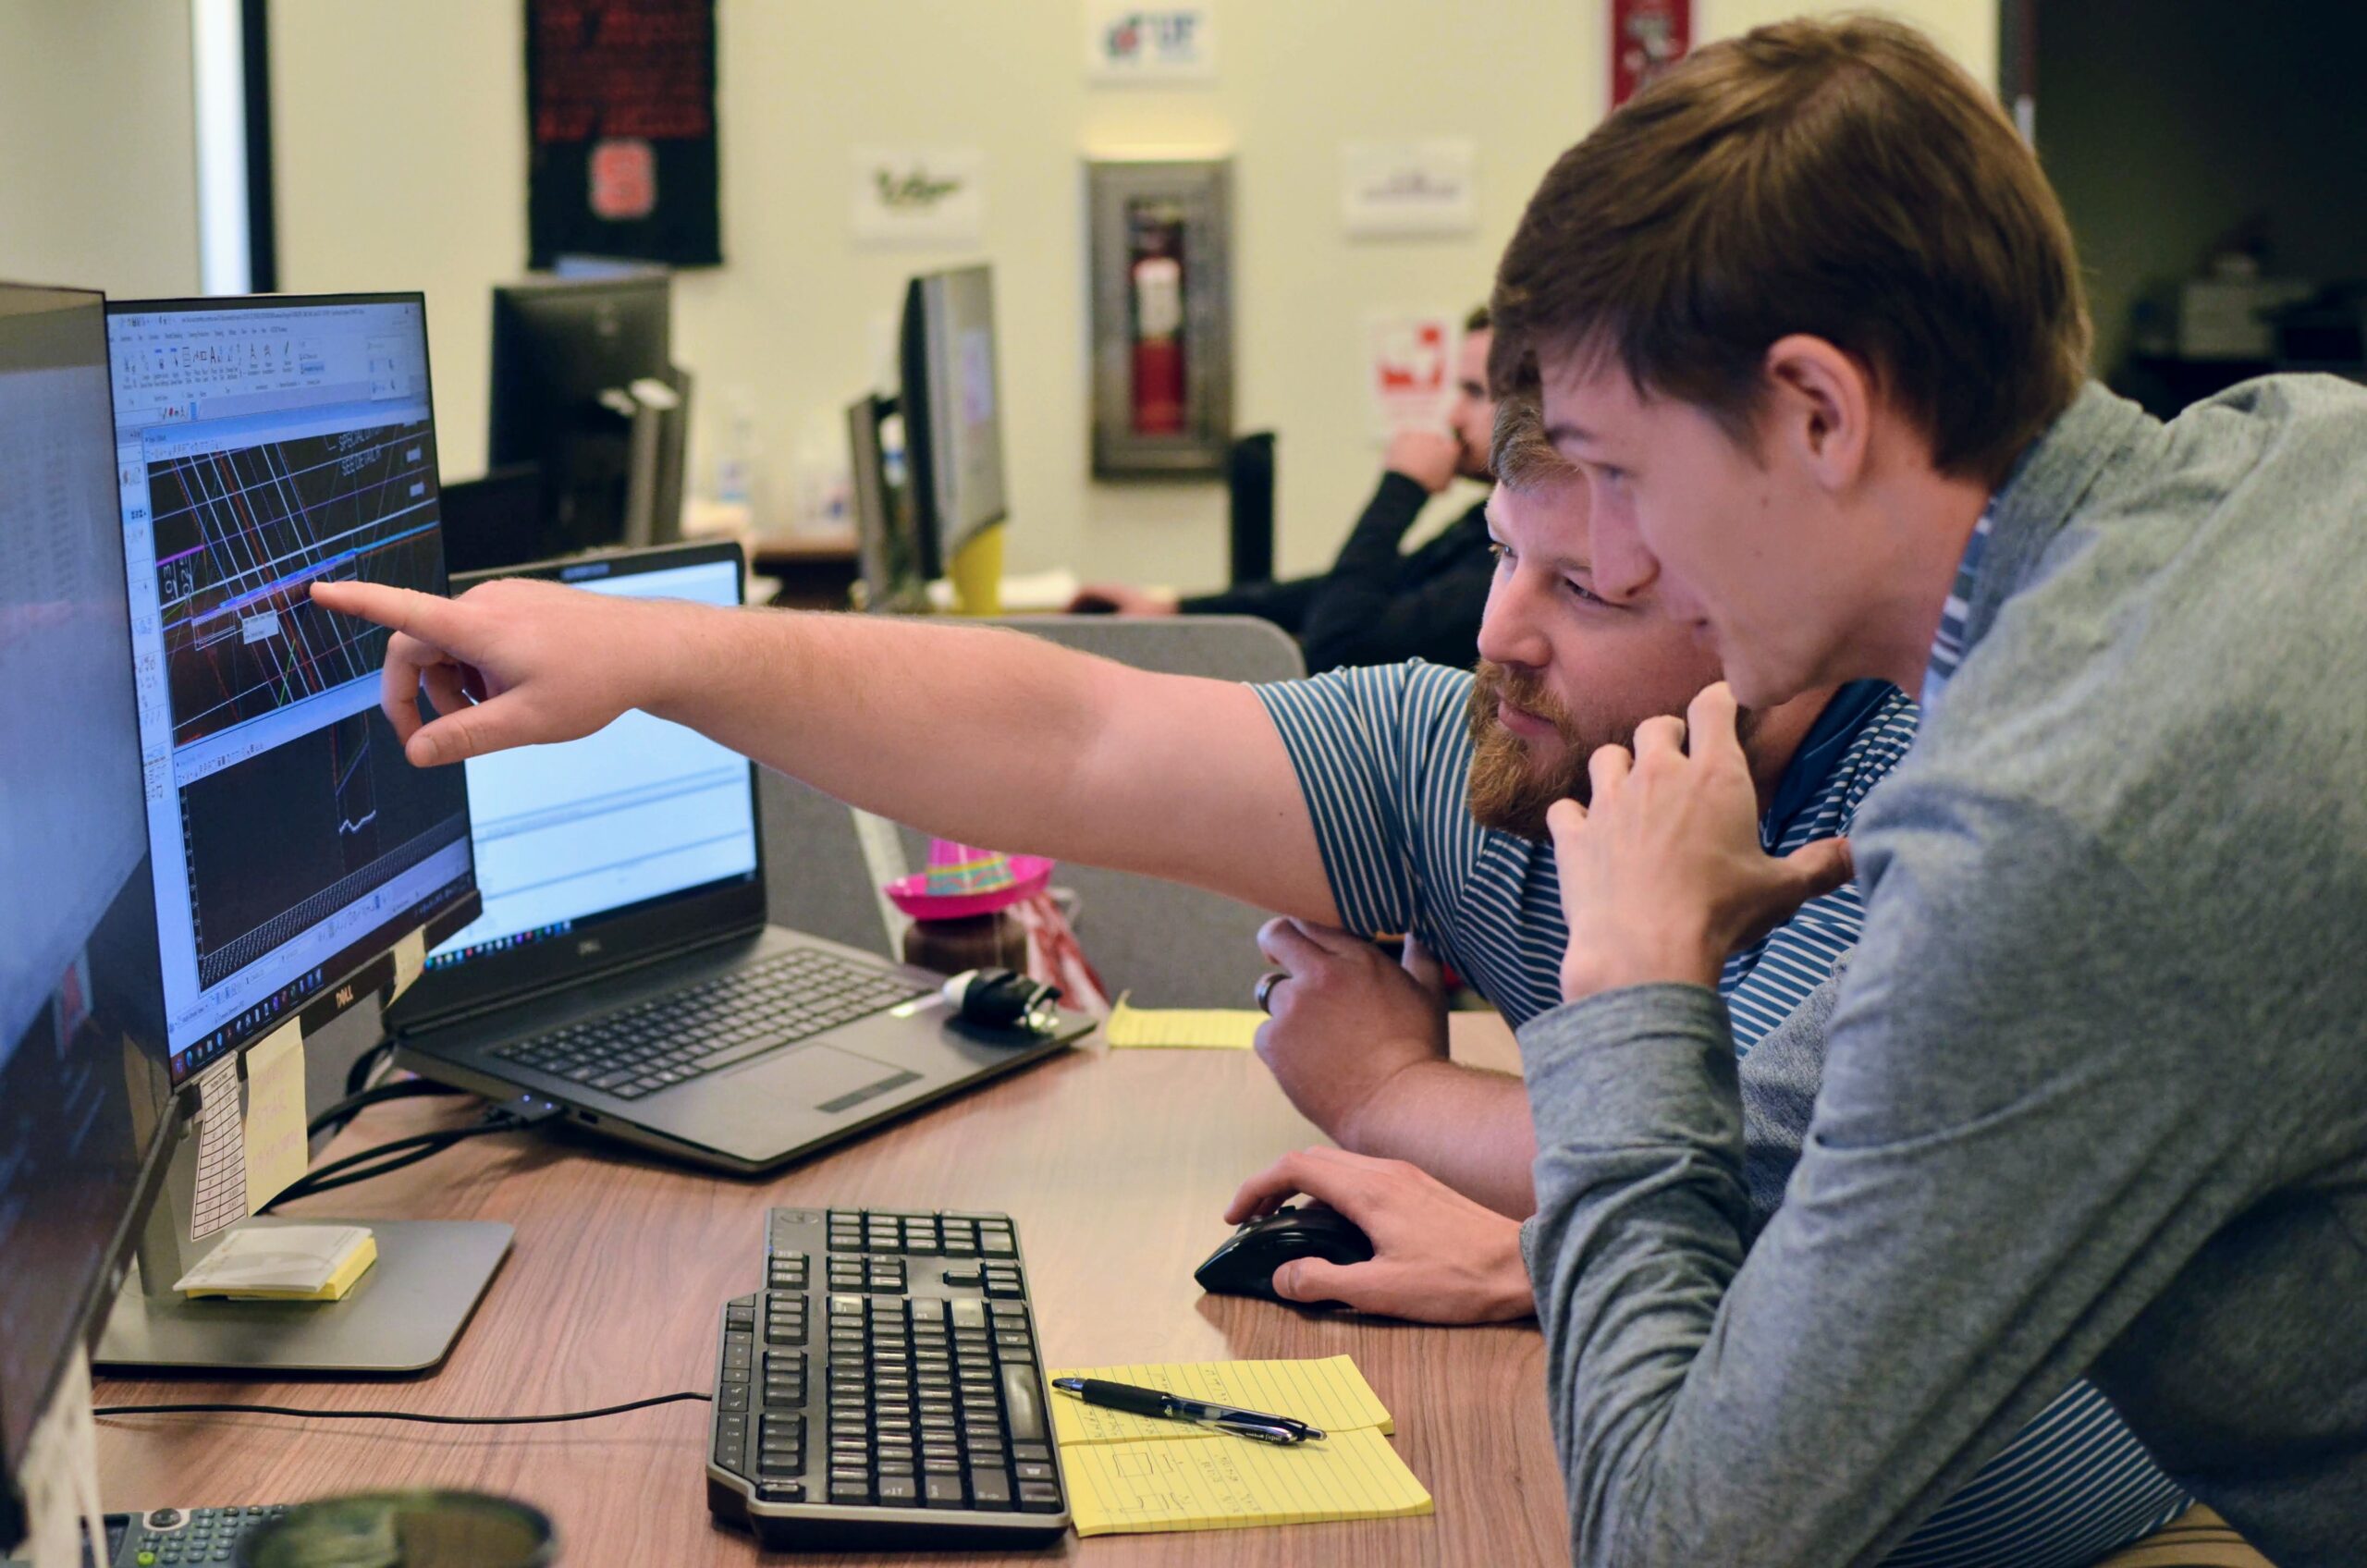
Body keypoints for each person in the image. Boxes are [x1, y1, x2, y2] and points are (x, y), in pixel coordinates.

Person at [309, 383, 2190, 1567]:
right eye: (1497, 558)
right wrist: (646, 656)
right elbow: (1067, 733)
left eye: (1588, 592)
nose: (1501, 636)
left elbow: (1745, 1210)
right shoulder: (1477, 754)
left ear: (1766, 619)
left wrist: (1403, 1105)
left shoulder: (1917, 825)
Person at [1303, 16, 2355, 1565]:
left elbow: (1679, 1548)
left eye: (1623, 472)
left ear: (1817, 411)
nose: (1614, 554)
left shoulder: (2058, 830)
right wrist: (1560, 1216)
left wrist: (1631, 990)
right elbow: (1882, 1111)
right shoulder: (2291, 453)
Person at [1068, 308, 1498, 672]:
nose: (1454, 416)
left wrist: (1401, 490)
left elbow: (1341, 648)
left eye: (1475, 394)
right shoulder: (1488, 522)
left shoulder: (1511, 562)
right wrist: (1173, 610)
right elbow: (1363, 588)